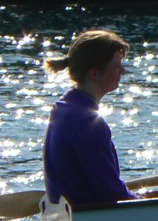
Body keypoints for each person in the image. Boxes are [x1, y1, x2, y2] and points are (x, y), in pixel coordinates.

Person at [42, 29, 139, 206]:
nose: (122, 71)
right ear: (94, 73)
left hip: (69, 211)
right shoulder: (89, 123)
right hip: (89, 216)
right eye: (116, 65)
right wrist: (142, 202)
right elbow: (111, 193)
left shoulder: (62, 108)